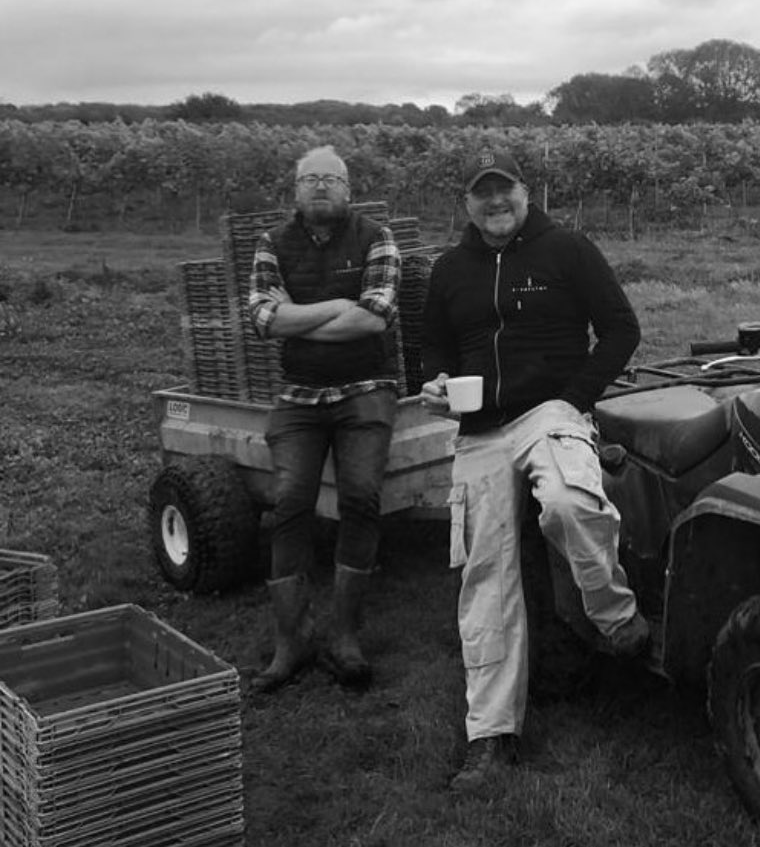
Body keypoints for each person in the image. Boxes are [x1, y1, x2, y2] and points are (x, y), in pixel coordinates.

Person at [420, 145, 648, 792]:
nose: (495, 202)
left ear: (526, 190)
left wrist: (575, 397)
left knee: (573, 502)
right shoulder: (449, 269)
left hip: (551, 410)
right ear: (466, 202)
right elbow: (431, 347)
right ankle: (491, 737)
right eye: (481, 192)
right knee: (486, 574)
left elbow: (622, 329)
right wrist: (434, 380)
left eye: (505, 189)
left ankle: (614, 614)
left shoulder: (567, 249)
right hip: (481, 430)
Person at [247, 145, 401, 692]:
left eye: (330, 179)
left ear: (348, 189)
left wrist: (297, 319)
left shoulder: (376, 237)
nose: (319, 187)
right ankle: (291, 642)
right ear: (294, 190)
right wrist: (338, 306)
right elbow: (263, 317)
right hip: (298, 395)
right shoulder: (272, 243)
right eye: (309, 179)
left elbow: (375, 317)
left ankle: (344, 635)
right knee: (289, 501)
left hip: (366, 389)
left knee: (361, 495)